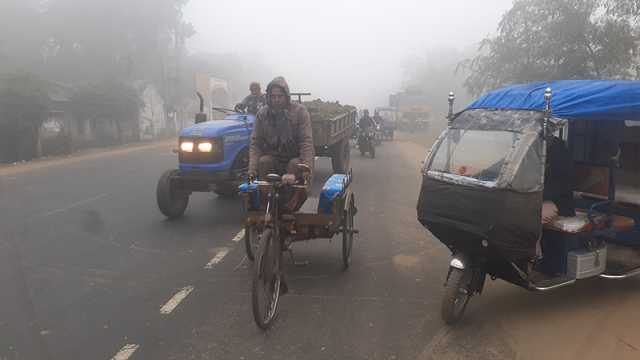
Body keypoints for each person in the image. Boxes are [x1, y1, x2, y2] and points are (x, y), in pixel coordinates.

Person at [248, 76, 314, 185]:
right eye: (273, 96)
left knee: (294, 164)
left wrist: (307, 169)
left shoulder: (300, 112)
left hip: (295, 158)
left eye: (280, 96)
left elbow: (306, 142)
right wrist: (252, 171)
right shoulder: (262, 114)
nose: (276, 100)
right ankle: (265, 198)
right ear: (268, 97)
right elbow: (256, 143)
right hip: (273, 157)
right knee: (263, 162)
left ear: (286, 96)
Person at [542, 136, 576, 224]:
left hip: (561, 205)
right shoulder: (544, 154)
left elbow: (561, 184)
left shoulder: (560, 156)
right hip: (550, 199)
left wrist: (544, 197)